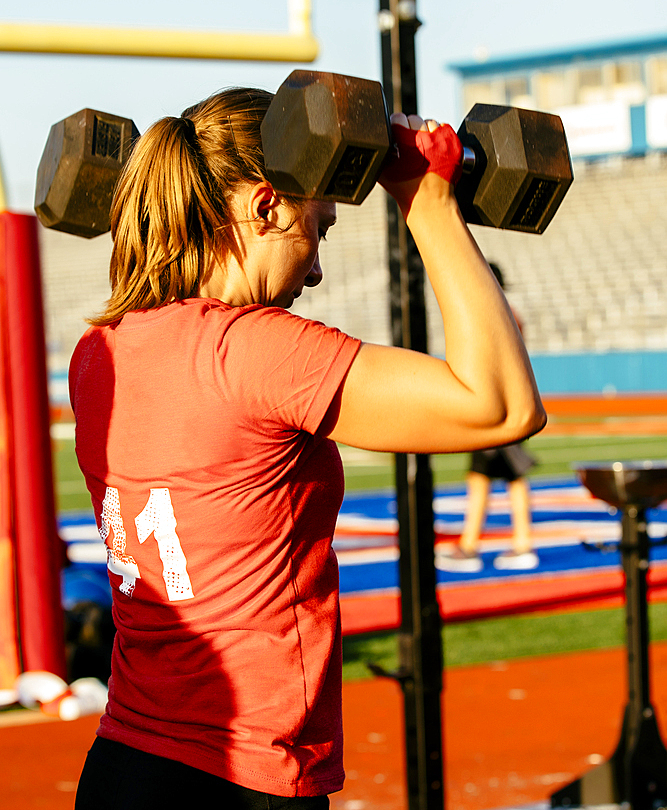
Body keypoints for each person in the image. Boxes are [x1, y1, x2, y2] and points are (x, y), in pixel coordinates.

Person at [70, 86, 545, 810]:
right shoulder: (254, 351)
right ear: (265, 208)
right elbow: (502, 406)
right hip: (241, 779)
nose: (316, 269)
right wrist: (425, 198)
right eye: (316, 230)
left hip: (124, 765)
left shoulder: (99, 349)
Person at [440, 263, 539, 574]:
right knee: (495, 477)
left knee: (498, 477)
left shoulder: (495, 313)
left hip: (497, 406)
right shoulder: (510, 313)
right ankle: (485, 543)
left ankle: (491, 545)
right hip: (507, 403)